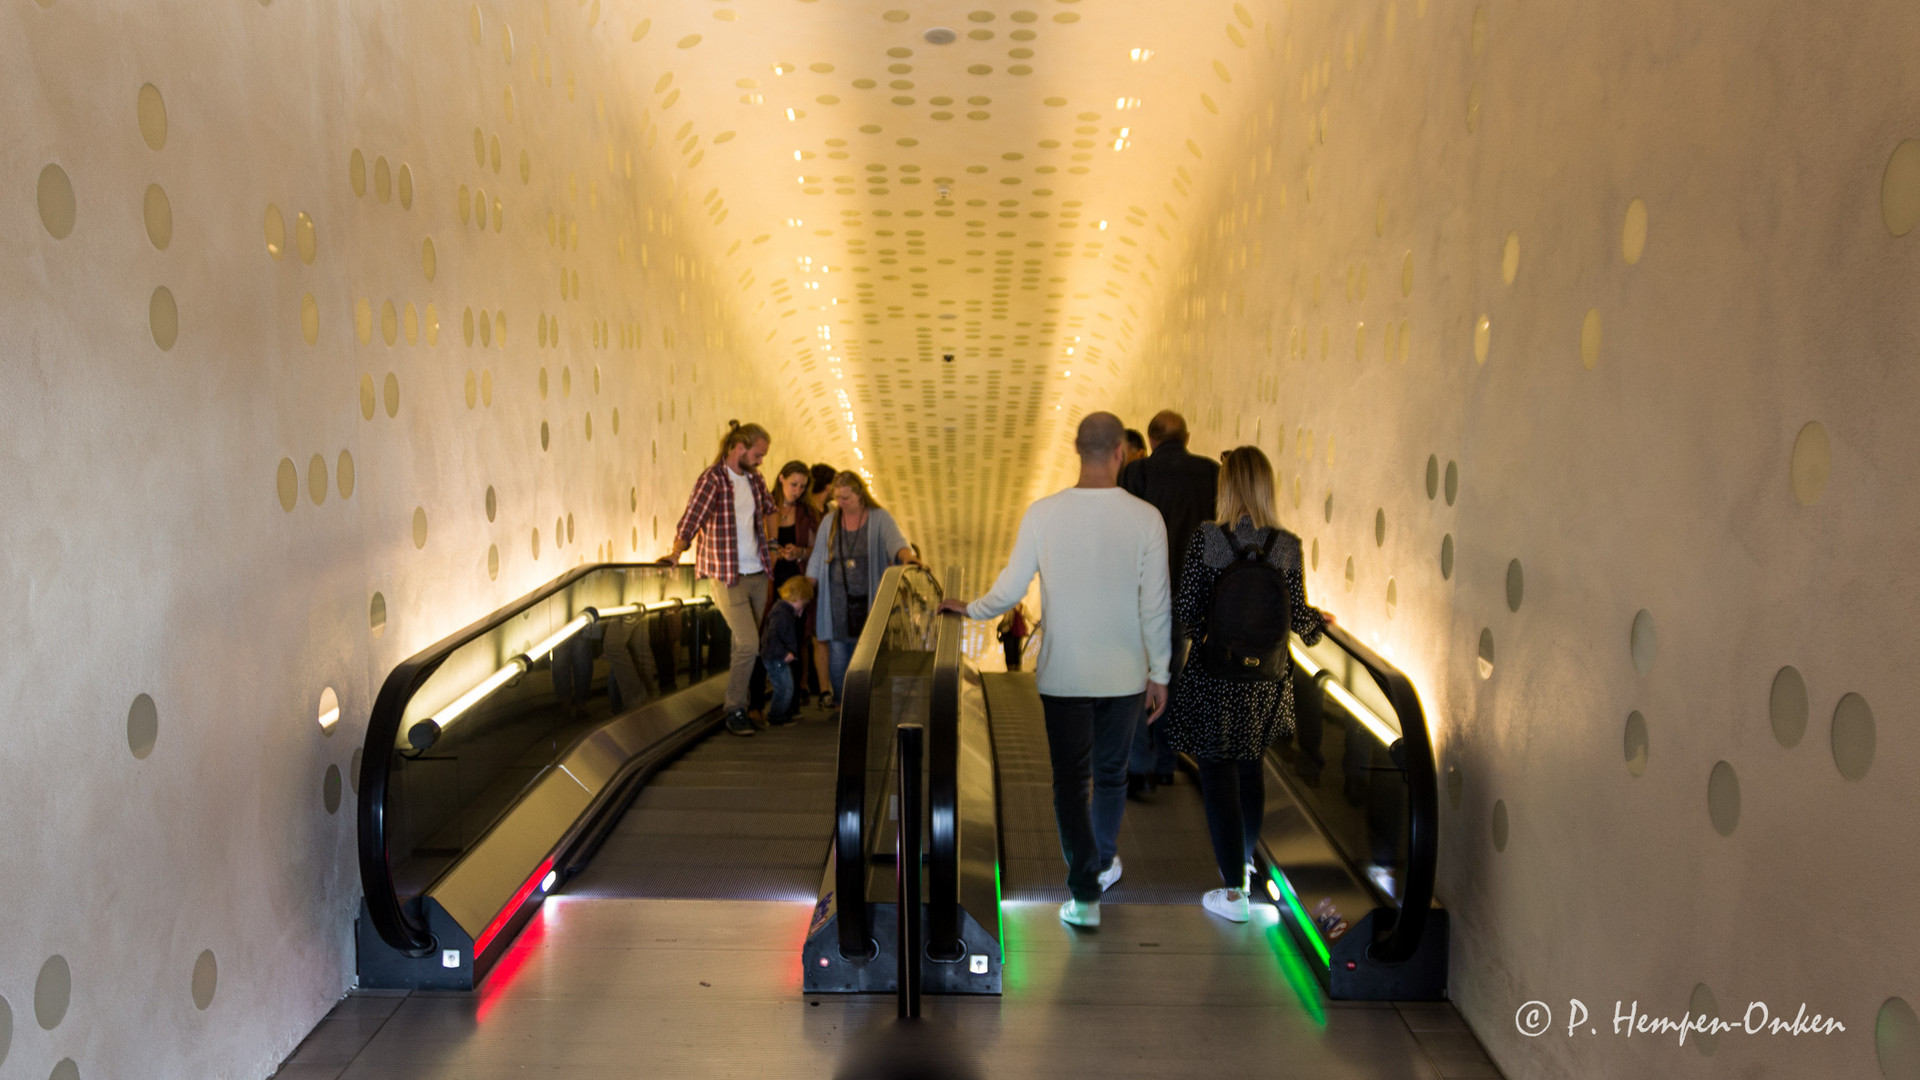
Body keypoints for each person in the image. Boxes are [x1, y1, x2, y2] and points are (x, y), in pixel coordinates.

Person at [939, 412, 1171, 929]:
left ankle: (1085, 890)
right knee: (1111, 776)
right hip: (1126, 673)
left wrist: (970, 609)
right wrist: (1161, 672)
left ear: (1076, 449)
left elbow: (1010, 588)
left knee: (1070, 780)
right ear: (1122, 452)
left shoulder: (1044, 514)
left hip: (1064, 671)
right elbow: (1155, 605)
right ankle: (1101, 862)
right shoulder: (1146, 519)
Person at [1160, 446, 1329, 923]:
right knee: (1251, 769)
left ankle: (1232, 890)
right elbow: (1299, 618)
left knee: (1216, 774)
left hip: (1218, 673)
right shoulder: (1287, 545)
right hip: (1268, 679)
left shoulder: (1210, 539)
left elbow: (1188, 617)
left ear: (1227, 486)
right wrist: (1320, 625)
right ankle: (1246, 867)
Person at [1120, 409, 1220, 796]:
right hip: (1193, 597)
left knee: (1139, 676)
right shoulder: (1211, 473)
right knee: (1172, 675)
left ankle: (1141, 766)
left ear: (1152, 439)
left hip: (1145, 593)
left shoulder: (1137, 473)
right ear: (1188, 437)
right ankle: (1165, 763)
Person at [659, 421, 775, 737]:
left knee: (748, 643)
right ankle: (735, 708)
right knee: (749, 643)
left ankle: (747, 706)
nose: (761, 460)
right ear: (739, 447)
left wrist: (773, 545)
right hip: (727, 577)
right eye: (758, 453)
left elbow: (769, 509)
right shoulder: (712, 480)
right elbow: (691, 520)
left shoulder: (755, 479)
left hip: (758, 574)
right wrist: (675, 553)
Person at [806, 471, 919, 704]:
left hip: (870, 597)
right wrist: (807, 588)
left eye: (846, 498)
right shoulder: (830, 521)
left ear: (860, 495)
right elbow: (818, 557)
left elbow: (896, 543)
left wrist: (908, 557)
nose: (841, 503)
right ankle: (841, 702)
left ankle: (863, 702)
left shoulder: (879, 518)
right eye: (838, 498)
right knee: (838, 654)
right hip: (836, 599)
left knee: (866, 651)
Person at [748, 461, 821, 721]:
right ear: (781, 479)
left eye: (802, 486)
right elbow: (748, 540)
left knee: (794, 639)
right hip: (766, 579)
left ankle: (789, 705)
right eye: (793, 484)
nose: (797, 490)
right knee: (760, 636)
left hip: (794, 583)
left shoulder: (807, 513)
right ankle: (754, 703)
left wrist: (799, 552)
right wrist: (769, 553)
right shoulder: (764, 506)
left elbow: (819, 549)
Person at [806, 462, 839, 703]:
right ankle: (822, 688)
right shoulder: (808, 512)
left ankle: (826, 688)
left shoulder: (830, 512)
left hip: (830, 581)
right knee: (817, 635)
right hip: (810, 577)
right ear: (828, 487)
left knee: (824, 635)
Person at [761, 576, 815, 727]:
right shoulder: (782, 614)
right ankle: (776, 716)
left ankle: (779, 714)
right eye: (803, 603)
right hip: (776, 658)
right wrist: (785, 653)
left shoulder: (783, 610)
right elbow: (773, 637)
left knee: (785, 687)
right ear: (797, 597)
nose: (802, 608)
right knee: (784, 687)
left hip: (776, 656)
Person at [997, 604, 1029, 672]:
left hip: (1009, 632)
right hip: (1019, 632)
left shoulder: (1009, 607)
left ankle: (1010, 671)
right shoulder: (1023, 607)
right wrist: (1037, 623)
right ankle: (1018, 669)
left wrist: (999, 627)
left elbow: (1005, 620)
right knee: (1017, 651)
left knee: (1009, 652)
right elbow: (1030, 618)